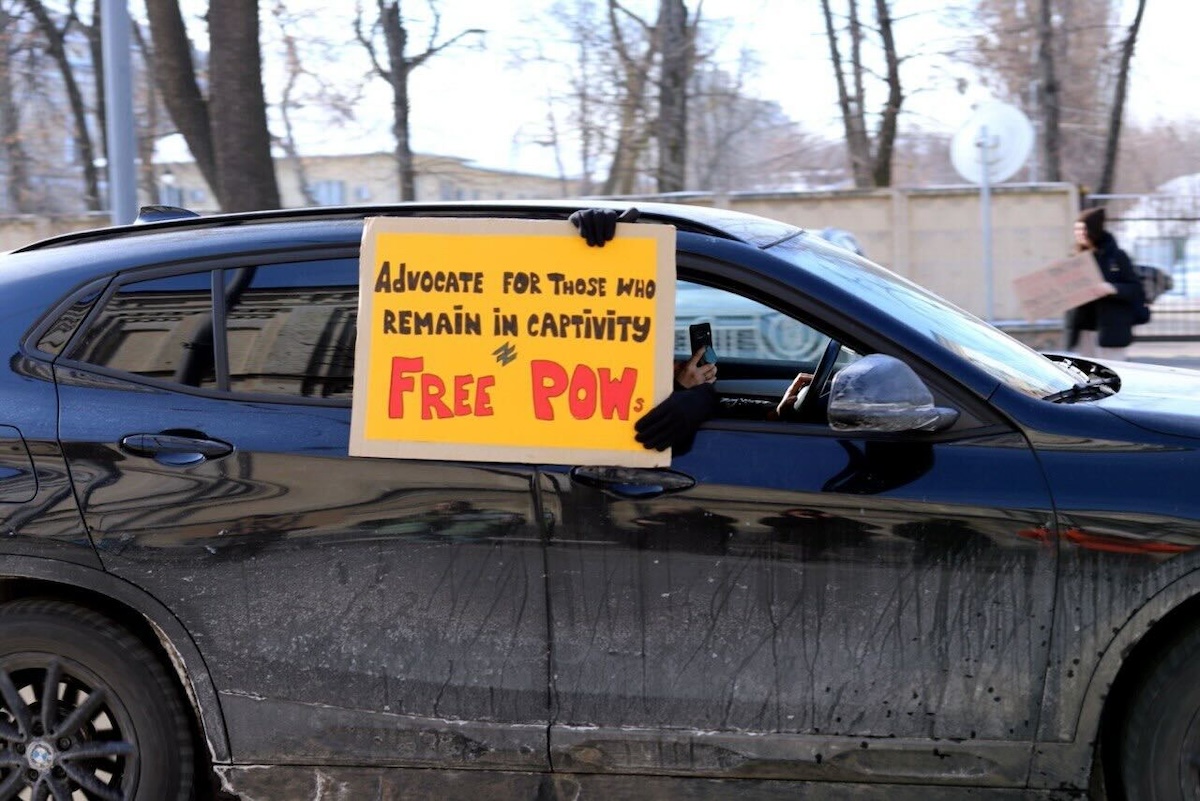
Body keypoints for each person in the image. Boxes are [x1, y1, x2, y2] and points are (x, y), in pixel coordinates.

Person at [1063, 207, 1143, 360]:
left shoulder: (1117, 256)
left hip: (1111, 331)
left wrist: (1112, 288)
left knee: (1112, 373)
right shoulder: (1075, 258)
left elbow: (1135, 289)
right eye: (1077, 230)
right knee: (1086, 376)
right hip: (1083, 330)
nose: (1079, 234)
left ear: (1093, 230)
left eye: (1083, 229)